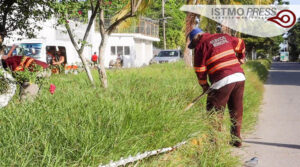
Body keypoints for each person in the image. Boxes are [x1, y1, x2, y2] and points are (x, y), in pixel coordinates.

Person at [188, 27, 246, 147]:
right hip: (239, 77)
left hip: (222, 79)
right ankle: (236, 140)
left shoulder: (201, 46)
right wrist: (241, 57)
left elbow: (200, 70)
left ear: (197, 37)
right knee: (236, 110)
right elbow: (240, 43)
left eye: (194, 43)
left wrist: (204, 86)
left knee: (213, 111)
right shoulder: (224, 37)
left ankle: (214, 143)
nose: (195, 46)